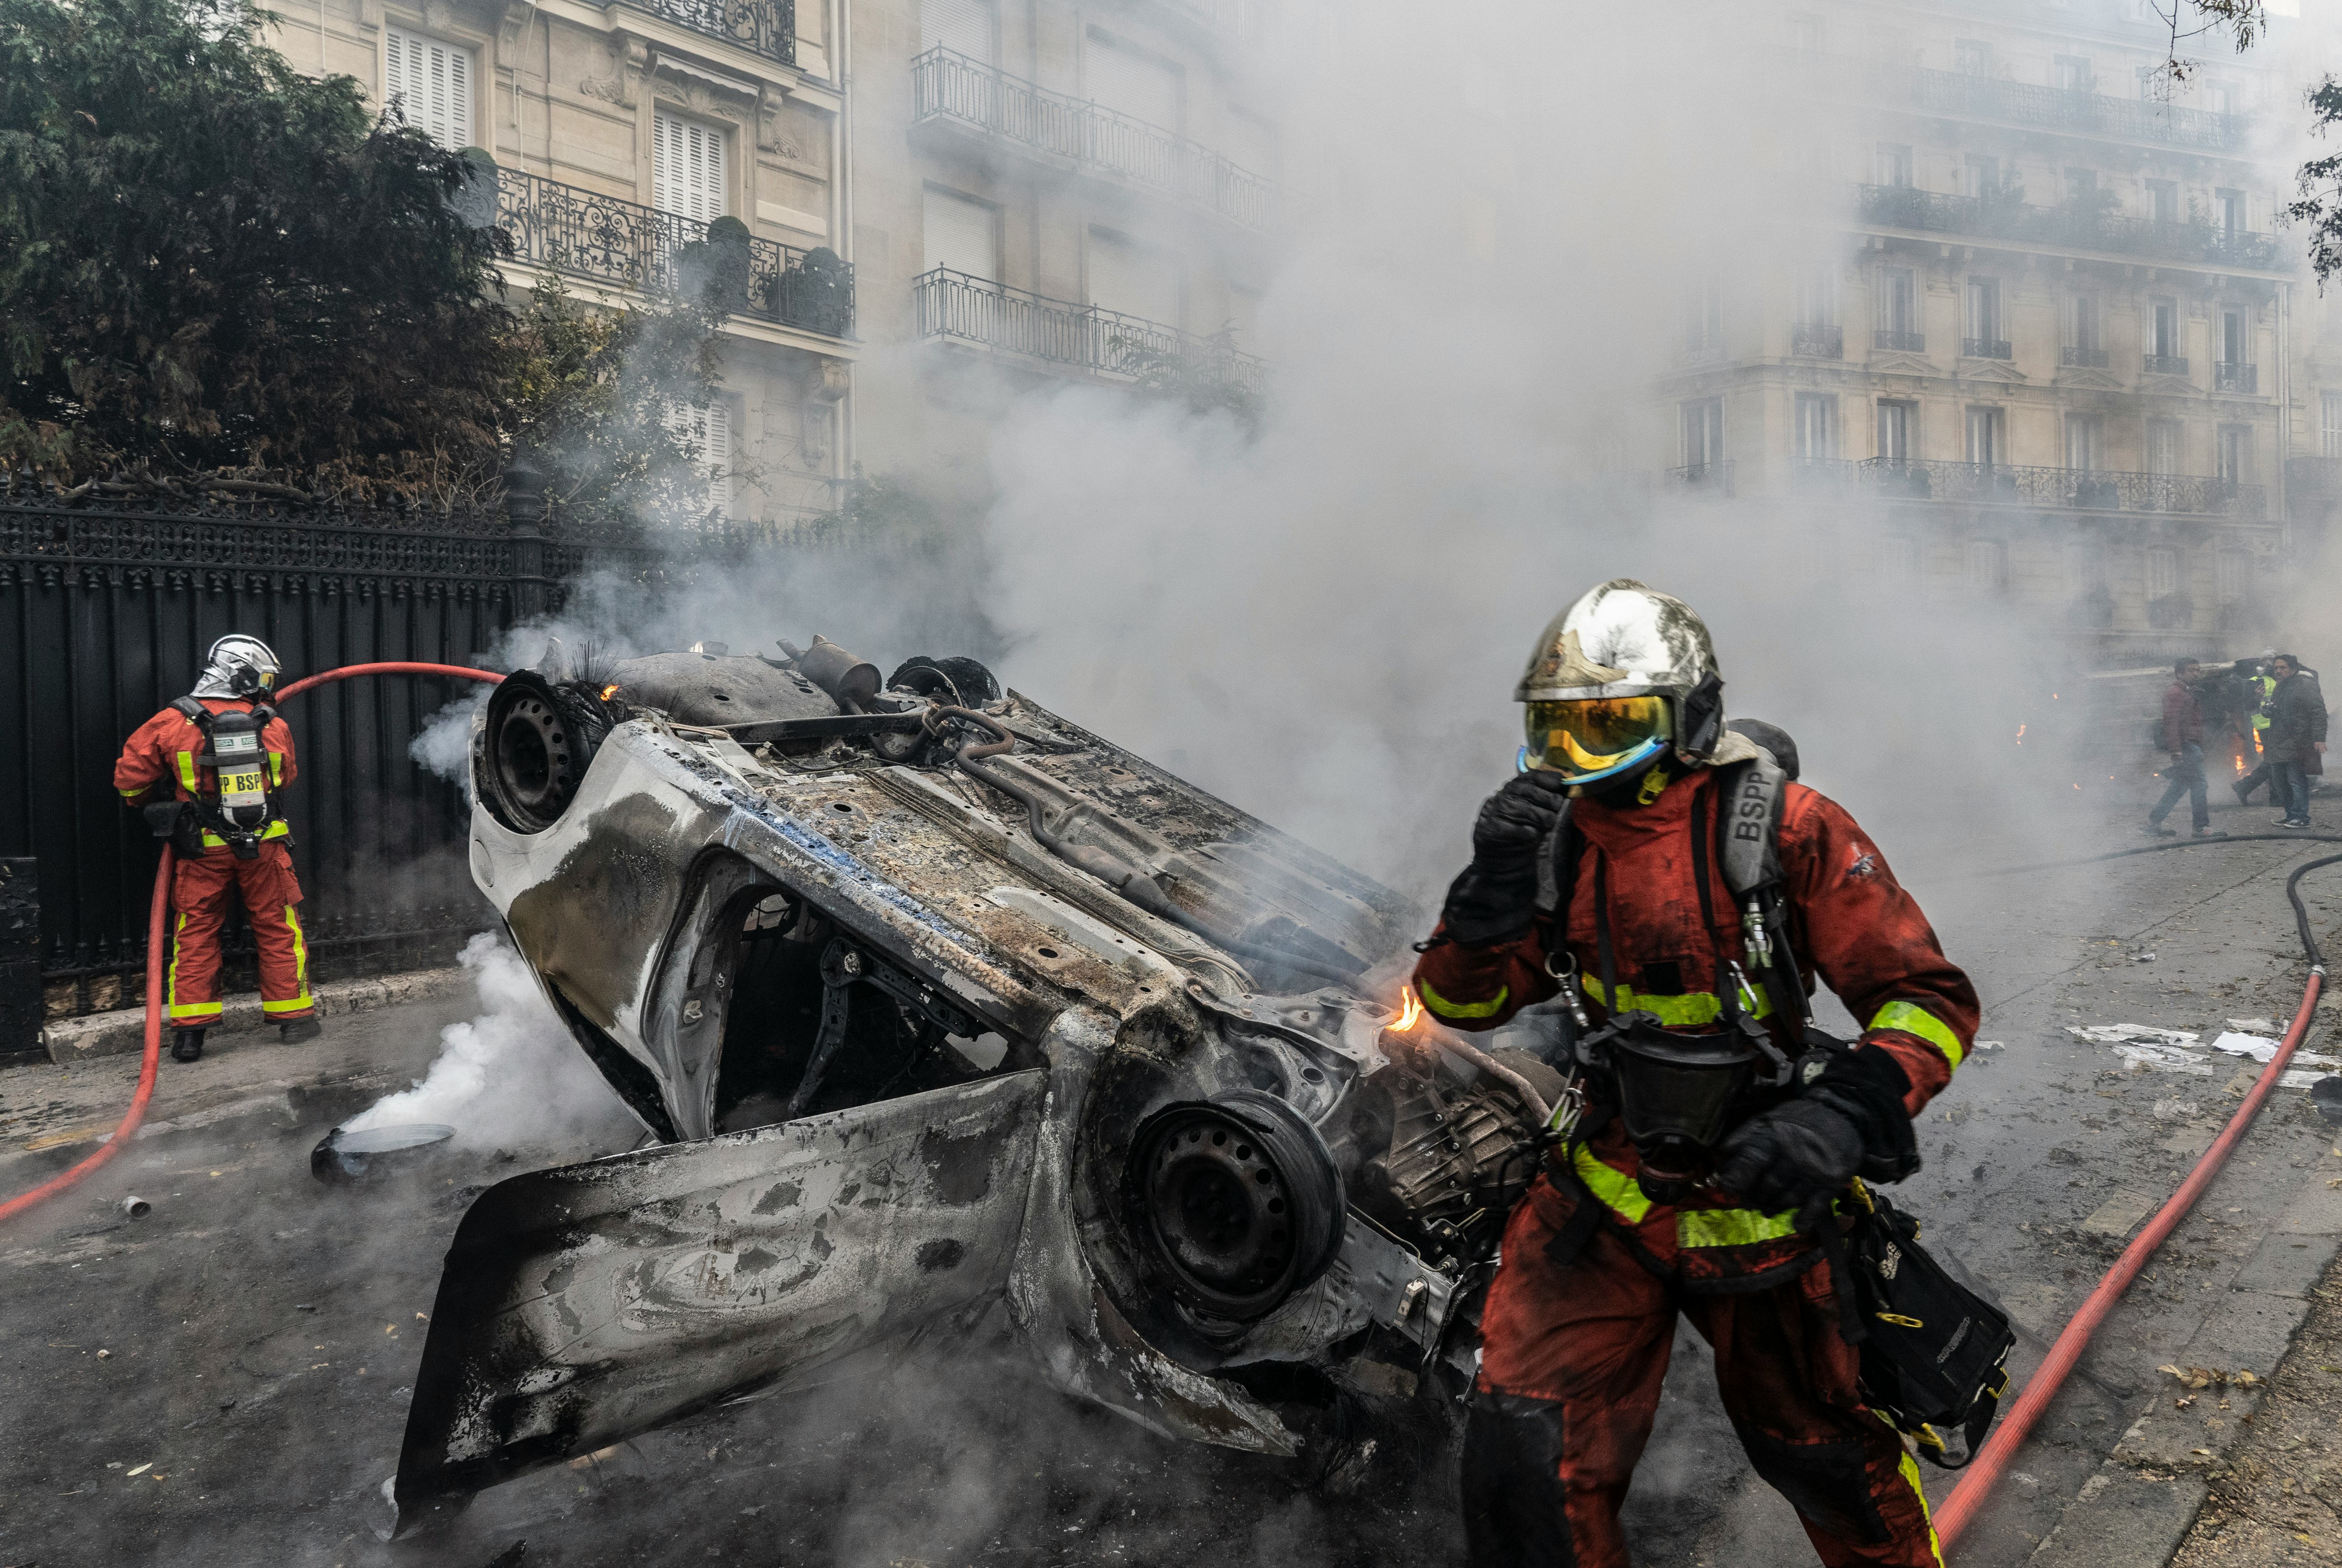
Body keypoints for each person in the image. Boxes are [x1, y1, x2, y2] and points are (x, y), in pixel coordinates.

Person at [1415, 580, 1974, 1568]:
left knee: (1823, 1457)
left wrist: (1846, 1110)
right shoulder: (1552, 844)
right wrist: (1487, 889)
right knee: (1523, 1461)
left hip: (1762, 1196)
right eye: (1559, 731)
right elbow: (1459, 1006)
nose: (1579, 759)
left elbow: (1925, 996)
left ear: (1691, 717)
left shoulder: (1788, 830)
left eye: (1611, 726)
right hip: (1600, 1195)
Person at [114, 636, 319, 1062]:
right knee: (279, 928)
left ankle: (191, 1034)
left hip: (200, 851)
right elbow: (287, 778)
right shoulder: (273, 724)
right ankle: (295, 1020)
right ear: (240, 674)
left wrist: (158, 801)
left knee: (196, 933)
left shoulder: (172, 722)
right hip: (265, 846)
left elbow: (129, 780)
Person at [2145, 658, 2213, 838]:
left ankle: (2154, 823)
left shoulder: (2187, 692)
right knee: (2200, 785)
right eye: (2191, 671)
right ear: (2179, 674)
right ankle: (2201, 828)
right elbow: (2171, 723)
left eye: (2198, 670)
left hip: (2190, 745)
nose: (2196, 673)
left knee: (2180, 786)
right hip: (2187, 746)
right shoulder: (2175, 694)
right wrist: (2176, 750)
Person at [2265, 652, 2328, 829]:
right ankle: (2291, 815)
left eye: (2283, 668)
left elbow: (2318, 712)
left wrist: (2319, 738)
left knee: (2296, 781)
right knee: (2280, 782)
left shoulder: (2306, 685)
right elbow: (2278, 711)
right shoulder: (2280, 686)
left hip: (2297, 741)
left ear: (2293, 669)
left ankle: (2301, 817)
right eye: (2276, 668)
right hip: (2278, 741)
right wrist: (2267, 711)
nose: (2279, 671)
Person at [2233, 654, 2279, 805]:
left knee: (2275, 760)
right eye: (2267, 660)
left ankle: (2246, 787)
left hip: (2280, 724)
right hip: (2266, 725)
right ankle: (2248, 787)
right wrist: (2256, 697)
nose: (2270, 664)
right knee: (2275, 760)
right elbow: (2248, 706)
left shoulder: (2278, 679)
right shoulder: (2254, 682)